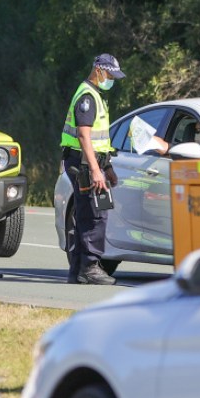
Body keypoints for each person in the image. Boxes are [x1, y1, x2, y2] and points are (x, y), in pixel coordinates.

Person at [60, 53, 125, 285]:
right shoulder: (87, 96)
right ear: (98, 70)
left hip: (88, 162)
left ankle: (77, 269)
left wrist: (106, 167)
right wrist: (97, 170)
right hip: (84, 163)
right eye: (109, 74)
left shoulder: (94, 94)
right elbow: (84, 136)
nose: (112, 80)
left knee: (86, 213)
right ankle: (90, 267)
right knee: (96, 214)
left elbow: (99, 141)